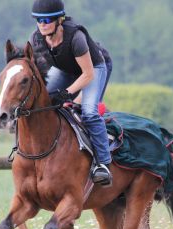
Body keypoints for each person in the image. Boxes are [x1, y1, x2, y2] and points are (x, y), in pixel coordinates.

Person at [29, 0, 113, 186]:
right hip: (67, 69)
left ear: (60, 19)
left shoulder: (76, 37)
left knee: (89, 112)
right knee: (43, 102)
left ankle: (103, 164)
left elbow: (88, 74)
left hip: (94, 68)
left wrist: (67, 94)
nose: (42, 24)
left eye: (47, 19)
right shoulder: (37, 38)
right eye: (38, 20)